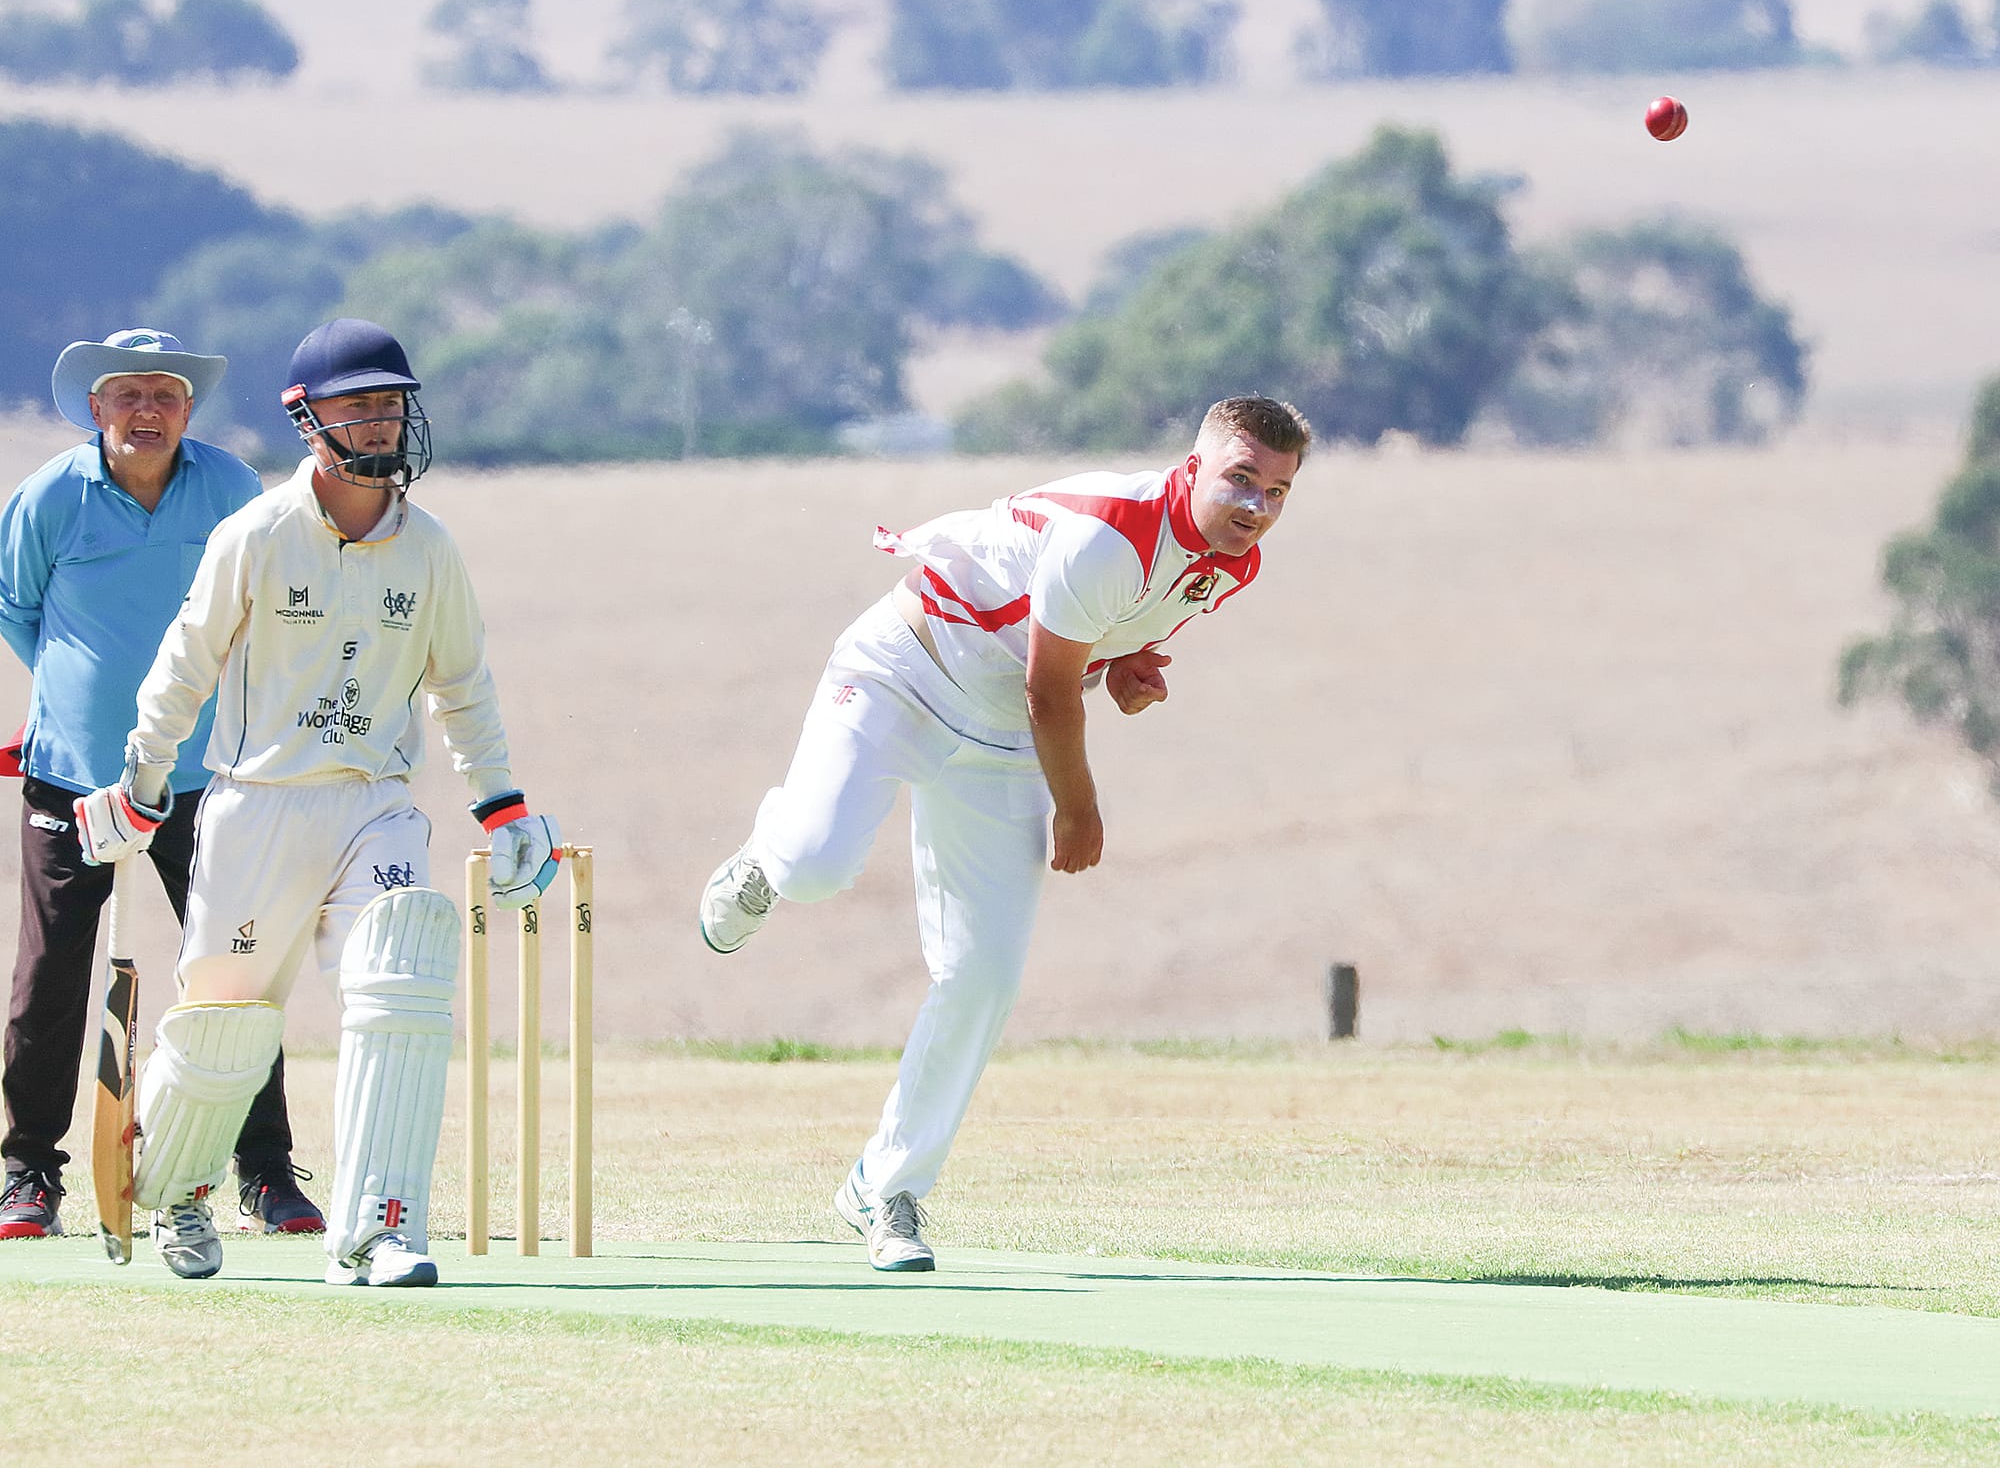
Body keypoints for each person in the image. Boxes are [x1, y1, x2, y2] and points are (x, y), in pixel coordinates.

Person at [698, 394, 1310, 1272]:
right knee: (817, 864)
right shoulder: (1111, 533)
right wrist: (1080, 806)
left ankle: (887, 1187)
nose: (1256, 507)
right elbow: (1050, 691)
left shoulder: (1229, 560)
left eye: (1278, 493)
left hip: (999, 737)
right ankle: (767, 856)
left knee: (982, 976)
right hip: (905, 671)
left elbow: (1092, 645)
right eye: (1241, 479)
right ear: (1194, 466)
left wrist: (1125, 666)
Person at [73, 317, 561, 1287]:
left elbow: (461, 685)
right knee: (226, 1024)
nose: (381, 425)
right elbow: (186, 662)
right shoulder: (253, 534)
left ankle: (379, 1227)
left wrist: (499, 802)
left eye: (392, 406)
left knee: (403, 975)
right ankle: (174, 1190)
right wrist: (142, 777)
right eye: (359, 406)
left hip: (373, 801)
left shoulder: (429, 549)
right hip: (258, 805)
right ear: (305, 417)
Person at [0, 329, 321, 1244]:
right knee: (50, 975)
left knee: (232, 977)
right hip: (72, 780)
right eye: (128, 395)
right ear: (96, 408)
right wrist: (65, 691)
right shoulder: (52, 496)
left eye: (166, 395)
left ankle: (263, 1170)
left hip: (201, 774)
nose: (147, 411)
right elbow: (12, 601)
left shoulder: (227, 488)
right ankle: (28, 1173)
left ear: (189, 408)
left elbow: (265, 599)